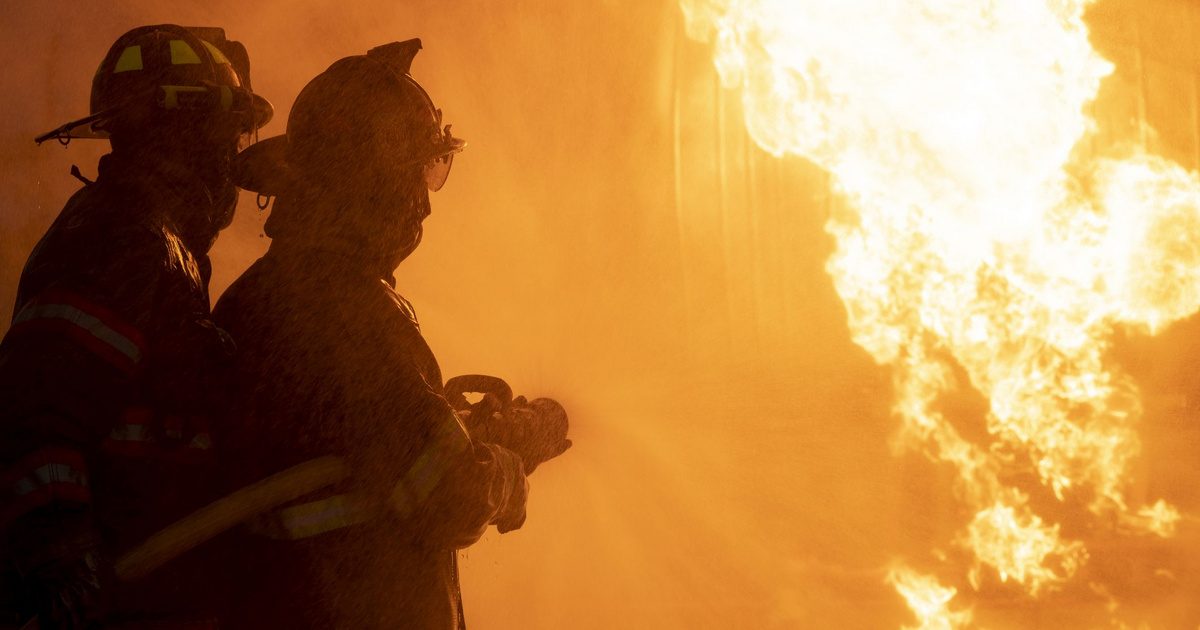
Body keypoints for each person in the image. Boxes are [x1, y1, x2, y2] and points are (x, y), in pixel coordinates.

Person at [212, 39, 571, 629]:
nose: (424, 207)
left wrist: (462, 432)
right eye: (418, 174)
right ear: (370, 181)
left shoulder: (260, 296)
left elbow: (374, 451)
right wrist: (508, 463)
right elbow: (445, 495)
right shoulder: (344, 307)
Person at [0, 25, 272, 628]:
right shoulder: (126, 238)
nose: (235, 159)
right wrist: (62, 556)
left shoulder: (153, 242)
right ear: (181, 130)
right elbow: (32, 409)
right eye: (225, 134)